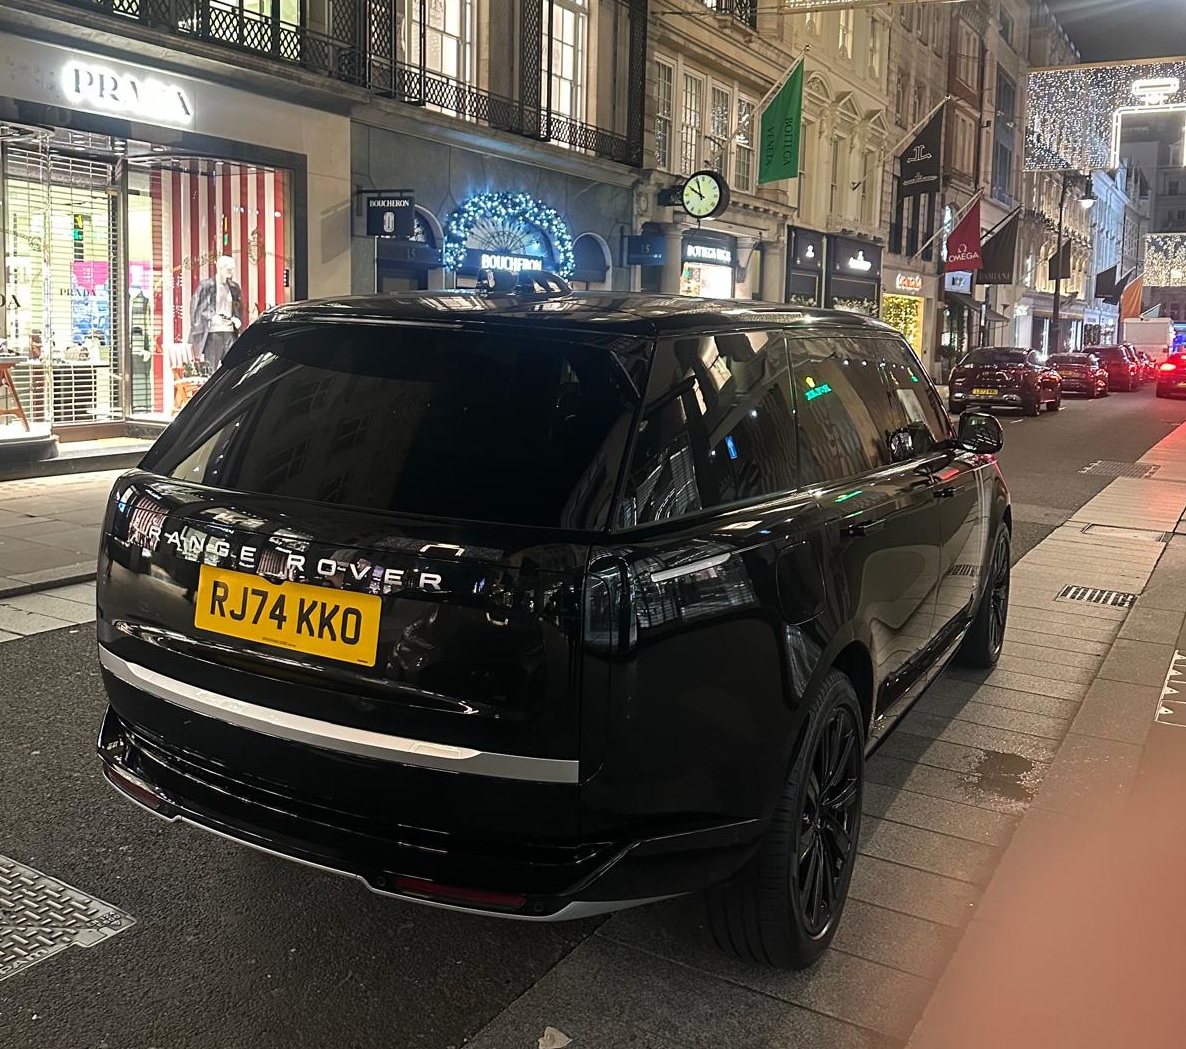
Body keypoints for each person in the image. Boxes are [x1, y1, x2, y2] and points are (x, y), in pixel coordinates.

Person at [189, 255, 242, 371]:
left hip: (229, 331)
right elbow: (195, 308)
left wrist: (236, 318)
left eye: (233, 269)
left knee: (231, 366)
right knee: (211, 367)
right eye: (229, 269)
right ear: (220, 268)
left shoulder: (234, 287)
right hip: (213, 332)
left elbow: (237, 307)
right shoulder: (206, 286)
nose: (231, 272)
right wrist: (211, 317)